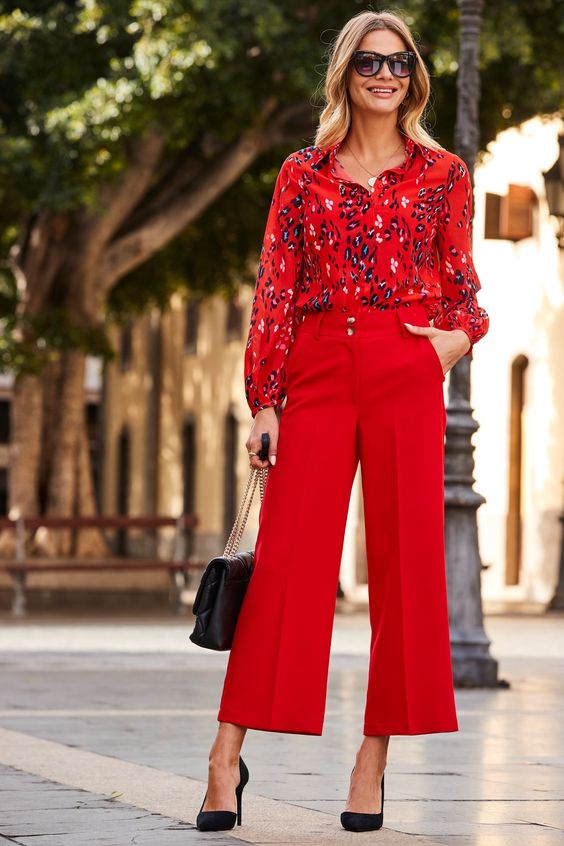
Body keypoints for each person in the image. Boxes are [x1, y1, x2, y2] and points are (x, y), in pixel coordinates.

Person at [196, 8, 489, 834]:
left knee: (405, 573)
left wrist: (452, 343)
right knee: (287, 566)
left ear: (414, 76)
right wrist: (265, 398)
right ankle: (225, 757)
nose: (385, 74)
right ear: (346, 74)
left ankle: (373, 762)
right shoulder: (302, 173)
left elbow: (465, 288)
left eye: (399, 62)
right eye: (369, 62)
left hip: (404, 365)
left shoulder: (445, 176)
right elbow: (276, 288)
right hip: (318, 368)